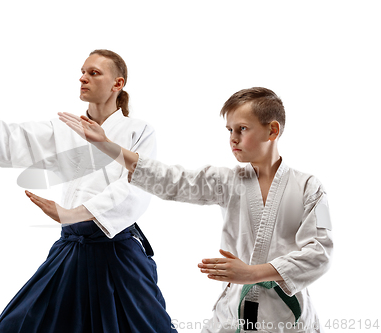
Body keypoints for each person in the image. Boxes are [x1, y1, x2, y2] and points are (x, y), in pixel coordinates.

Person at [0, 50, 177, 333]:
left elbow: (136, 187)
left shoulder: (138, 131)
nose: (82, 77)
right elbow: (8, 139)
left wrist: (72, 213)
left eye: (94, 73)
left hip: (118, 251)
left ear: (117, 83)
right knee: (22, 324)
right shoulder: (65, 129)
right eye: (83, 71)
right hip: (73, 247)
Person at [59, 87, 334, 333]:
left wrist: (252, 273)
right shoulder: (227, 181)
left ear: (272, 130)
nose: (233, 139)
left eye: (242, 129)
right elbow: (173, 180)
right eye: (229, 130)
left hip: (286, 319)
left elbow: (320, 252)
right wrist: (108, 146)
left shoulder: (311, 188)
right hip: (231, 316)